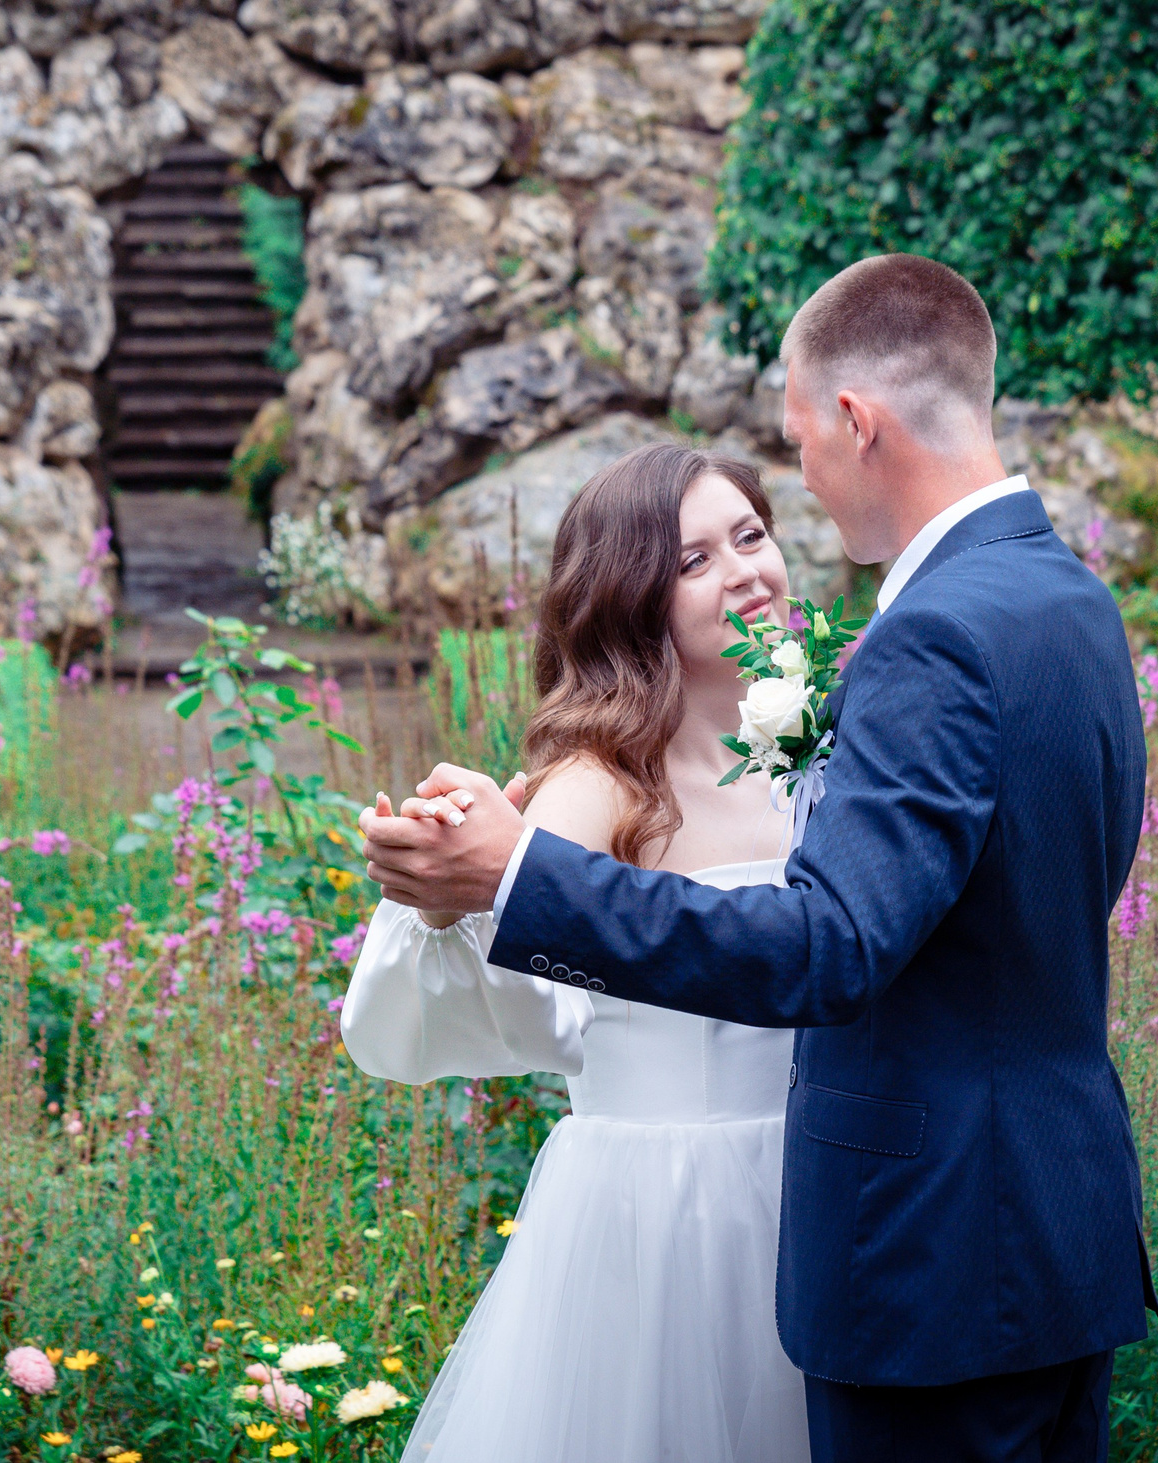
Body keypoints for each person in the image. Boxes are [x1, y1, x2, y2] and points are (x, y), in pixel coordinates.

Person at [360, 254, 1155, 1463]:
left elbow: (832, 945)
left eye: (788, 463)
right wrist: (464, 887)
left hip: (925, 1248)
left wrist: (515, 872)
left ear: (853, 419)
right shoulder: (1069, 600)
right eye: (695, 555)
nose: (792, 508)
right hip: (1034, 1228)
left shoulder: (920, 642)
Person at [338, 443, 810, 1463]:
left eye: (751, 535)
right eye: (691, 561)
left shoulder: (816, 749)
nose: (744, 571)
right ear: (631, 599)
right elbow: (525, 996)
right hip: (663, 1220)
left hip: (821, 1187)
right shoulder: (602, 786)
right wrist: (443, 900)